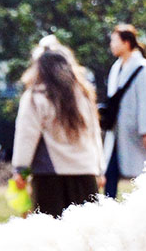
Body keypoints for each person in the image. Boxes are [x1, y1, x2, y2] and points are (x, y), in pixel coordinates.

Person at [11, 41, 103, 218]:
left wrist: (20, 169)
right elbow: (94, 134)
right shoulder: (84, 94)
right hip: (86, 171)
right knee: (86, 232)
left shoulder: (35, 96)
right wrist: (99, 168)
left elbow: (26, 135)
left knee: (52, 235)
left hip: (49, 174)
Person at [101, 24, 146, 199]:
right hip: (117, 130)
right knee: (111, 171)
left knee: (141, 171)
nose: (112, 45)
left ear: (126, 43)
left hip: (134, 129)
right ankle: (108, 204)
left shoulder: (142, 69)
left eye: (115, 40)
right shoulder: (116, 67)